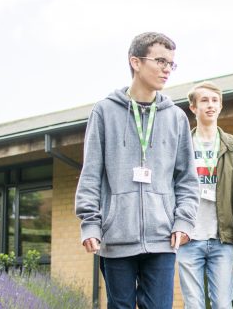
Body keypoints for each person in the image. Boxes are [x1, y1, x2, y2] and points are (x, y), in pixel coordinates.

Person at [75, 32, 200, 309]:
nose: (167, 69)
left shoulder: (176, 118)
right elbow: (91, 174)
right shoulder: (104, 112)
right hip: (116, 235)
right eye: (160, 61)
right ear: (136, 62)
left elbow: (187, 180)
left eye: (171, 63)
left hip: (162, 237)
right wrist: (90, 224)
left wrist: (183, 222)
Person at [177, 81, 233, 309]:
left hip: (223, 239)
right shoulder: (181, 144)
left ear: (220, 106)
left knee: (222, 304)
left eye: (215, 100)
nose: (210, 105)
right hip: (188, 237)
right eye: (204, 100)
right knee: (194, 305)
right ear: (193, 107)